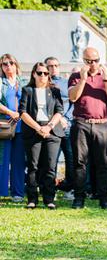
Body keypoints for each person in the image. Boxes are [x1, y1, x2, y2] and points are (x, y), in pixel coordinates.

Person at [68, 47, 107, 209]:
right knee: (79, 162)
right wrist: (83, 80)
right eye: (89, 61)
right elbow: (73, 97)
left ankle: (104, 199)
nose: (93, 64)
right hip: (81, 123)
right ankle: (79, 198)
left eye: (95, 60)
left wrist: (106, 80)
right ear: (84, 61)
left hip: (101, 124)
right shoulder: (76, 77)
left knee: (103, 162)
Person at [19, 62, 64, 209]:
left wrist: (49, 127)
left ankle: (49, 199)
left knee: (50, 166)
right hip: (33, 130)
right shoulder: (27, 90)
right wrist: (38, 128)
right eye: (40, 73)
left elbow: (59, 111)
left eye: (46, 73)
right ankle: (32, 199)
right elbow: (23, 112)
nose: (43, 76)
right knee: (33, 166)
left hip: (52, 131)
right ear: (34, 74)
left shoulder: (54, 91)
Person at [0, 53, 27, 202]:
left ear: (16, 65)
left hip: (21, 128)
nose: (8, 66)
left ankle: (17, 193)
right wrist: (10, 112)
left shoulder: (24, 82)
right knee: (2, 160)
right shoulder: (0, 82)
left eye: (11, 63)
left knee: (19, 161)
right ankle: (2, 192)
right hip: (4, 127)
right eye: (4, 64)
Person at [46, 57, 74, 199]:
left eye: (56, 65)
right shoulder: (43, 83)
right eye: (50, 66)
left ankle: (69, 189)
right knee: (51, 159)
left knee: (71, 158)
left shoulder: (66, 82)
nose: (53, 68)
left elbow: (73, 102)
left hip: (66, 125)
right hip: (51, 126)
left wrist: (66, 119)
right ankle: (51, 190)